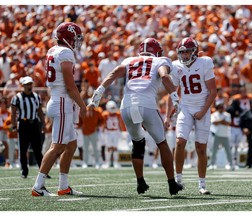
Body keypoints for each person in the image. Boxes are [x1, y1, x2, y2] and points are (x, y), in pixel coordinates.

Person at [89, 38, 183, 195]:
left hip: (126, 105)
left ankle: (140, 182)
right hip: (147, 104)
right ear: (157, 51)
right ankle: (172, 184)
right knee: (162, 143)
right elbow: (165, 77)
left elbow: (113, 74)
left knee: (138, 143)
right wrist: (174, 96)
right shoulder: (161, 60)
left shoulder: (129, 60)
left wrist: (99, 92)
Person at [31, 22, 86, 196]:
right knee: (58, 146)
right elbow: (70, 86)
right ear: (68, 37)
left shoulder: (53, 50)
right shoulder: (65, 52)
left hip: (58, 98)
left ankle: (63, 186)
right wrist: (82, 105)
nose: (77, 42)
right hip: (63, 101)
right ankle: (38, 186)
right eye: (75, 38)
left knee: (71, 144)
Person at [165, 37, 217, 195]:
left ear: (194, 51)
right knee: (180, 141)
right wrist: (168, 116)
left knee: (201, 148)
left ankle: (202, 184)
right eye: (182, 52)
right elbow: (172, 92)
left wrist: (203, 111)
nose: (185, 55)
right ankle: (178, 180)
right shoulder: (175, 65)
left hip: (202, 106)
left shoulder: (205, 62)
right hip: (186, 107)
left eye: (187, 52)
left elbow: (213, 91)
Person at [10, 76, 46, 178]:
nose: (29, 86)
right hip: (23, 124)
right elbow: (13, 113)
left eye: (30, 84)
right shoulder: (17, 98)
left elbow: (40, 111)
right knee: (23, 149)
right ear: (23, 86)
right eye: (27, 84)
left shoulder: (36, 96)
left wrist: (43, 123)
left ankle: (43, 170)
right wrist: (13, 125)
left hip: (34, 124)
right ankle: (24, 171)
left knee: (37, 149)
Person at [209, 102, 233, 170]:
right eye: (220, 107)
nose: (221, 109)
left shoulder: (227, 115)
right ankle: (212, 164)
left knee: (228, 151)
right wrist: (222, 121)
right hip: (217, 135)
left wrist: (219, 122)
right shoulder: (214, 114)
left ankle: (230, 164)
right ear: (217, 108)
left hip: (225, 135)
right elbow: (214, 122)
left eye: (222, 107)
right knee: (214, 150)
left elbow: (228, 123)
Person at [101, 100, 125, 168]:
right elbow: (103, 124)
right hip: (108, 132)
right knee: (108, 148)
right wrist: (103, 132)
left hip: (116, 131)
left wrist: (122, 131)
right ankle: (107, 163)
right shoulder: (105, 114)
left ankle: (116, 162)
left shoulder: (118, 114)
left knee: (115, 148)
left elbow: (120, 123)